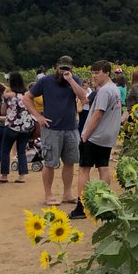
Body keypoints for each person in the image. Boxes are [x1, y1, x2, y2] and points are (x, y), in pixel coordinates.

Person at [24, 56, 88, 206]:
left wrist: (71, 80)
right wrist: (38, 116)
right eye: (61, 68)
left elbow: (83, 97)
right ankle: (48, 195)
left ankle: (67, 193)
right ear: (56, 66)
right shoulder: (46, 81)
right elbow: (27, 98)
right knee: (50, 163)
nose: (64, 71)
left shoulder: (75, 79)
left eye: (67, 68)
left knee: (70, 162)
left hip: (71, 127)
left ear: (71, 68)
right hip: (51, 129)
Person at [71, 61, 122, 218]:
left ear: (107, 73)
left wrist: (85, 135)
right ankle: (105, 201)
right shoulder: (115, 89)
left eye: (97, 73)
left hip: (96, 136)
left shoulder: (105, 91)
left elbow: (98, 114)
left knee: (84, 168)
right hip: (108, 135)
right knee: (103, 166)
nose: (94, 76)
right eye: (92, 72)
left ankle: (82, 205)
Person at [0, 72, 34, 183]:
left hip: (12, 125)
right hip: (26, 125)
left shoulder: (8, 95)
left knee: (5, 150)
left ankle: (4, 175)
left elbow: (3, 112)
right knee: (21, 151)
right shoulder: (27, 94)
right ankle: (21, 176)